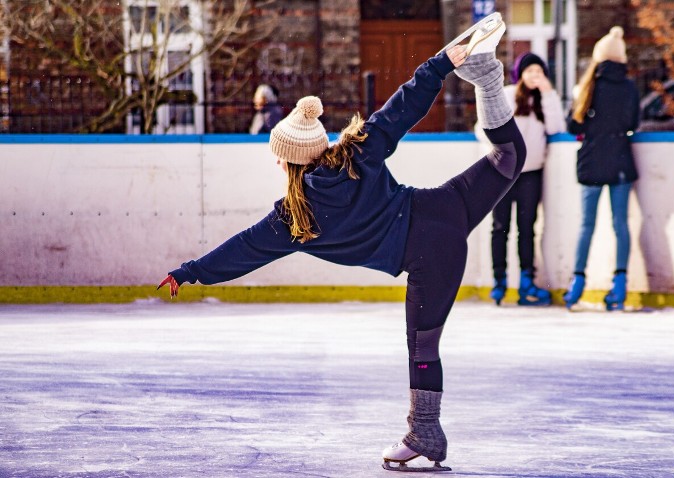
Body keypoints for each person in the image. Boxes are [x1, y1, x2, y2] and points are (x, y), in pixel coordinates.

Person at [158, 13, 521, 472]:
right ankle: (488, 81)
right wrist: (440, 64)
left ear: (286, 162)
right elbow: (403, 107)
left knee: (423, 348)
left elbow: (243, 250)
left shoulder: (295, 221)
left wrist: (191, 272)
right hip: (447, 209)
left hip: (431, 258)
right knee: (509, 157)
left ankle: (424, 432)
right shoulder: (358, 150)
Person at [480, 52, 566, 306]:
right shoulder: (506, 96)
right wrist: (500, 151)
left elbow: (557, 129)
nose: (534, 76)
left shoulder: (545, 101)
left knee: (526, 228)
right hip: (503, 173)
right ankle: (499, 281)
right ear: (520, 74)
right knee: (500, 227)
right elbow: (483, 125)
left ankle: (527, 281)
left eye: (539, 72)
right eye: (530, 71)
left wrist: (549, 94)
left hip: (531, 173)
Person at [563, 26, 639, 311]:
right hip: (620, 161)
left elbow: (573, 125)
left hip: (592, 162)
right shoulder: (630, 87)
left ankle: (577, 283)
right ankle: (619, 285)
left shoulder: (588, 85)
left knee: (587, 225)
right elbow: (633, 123)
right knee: (621, 224)